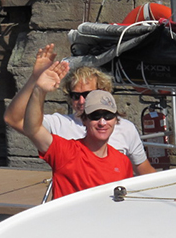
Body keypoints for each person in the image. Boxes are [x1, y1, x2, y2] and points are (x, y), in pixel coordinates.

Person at [5, 43, 155, 175]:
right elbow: (14, 119)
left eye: (87, 94)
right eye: (76, 96)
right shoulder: (59, 124)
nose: (82, 101)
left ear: (103, 92)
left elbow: (145, 171)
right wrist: (35, 80)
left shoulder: (126, 129)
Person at [21, 59, 133, 198]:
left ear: (116, 120)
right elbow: (32, 130)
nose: (102, 122)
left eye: (108, 116)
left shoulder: (123, 162)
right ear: (84, 120)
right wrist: (39, 90)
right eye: (95, 116)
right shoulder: (65, 152)